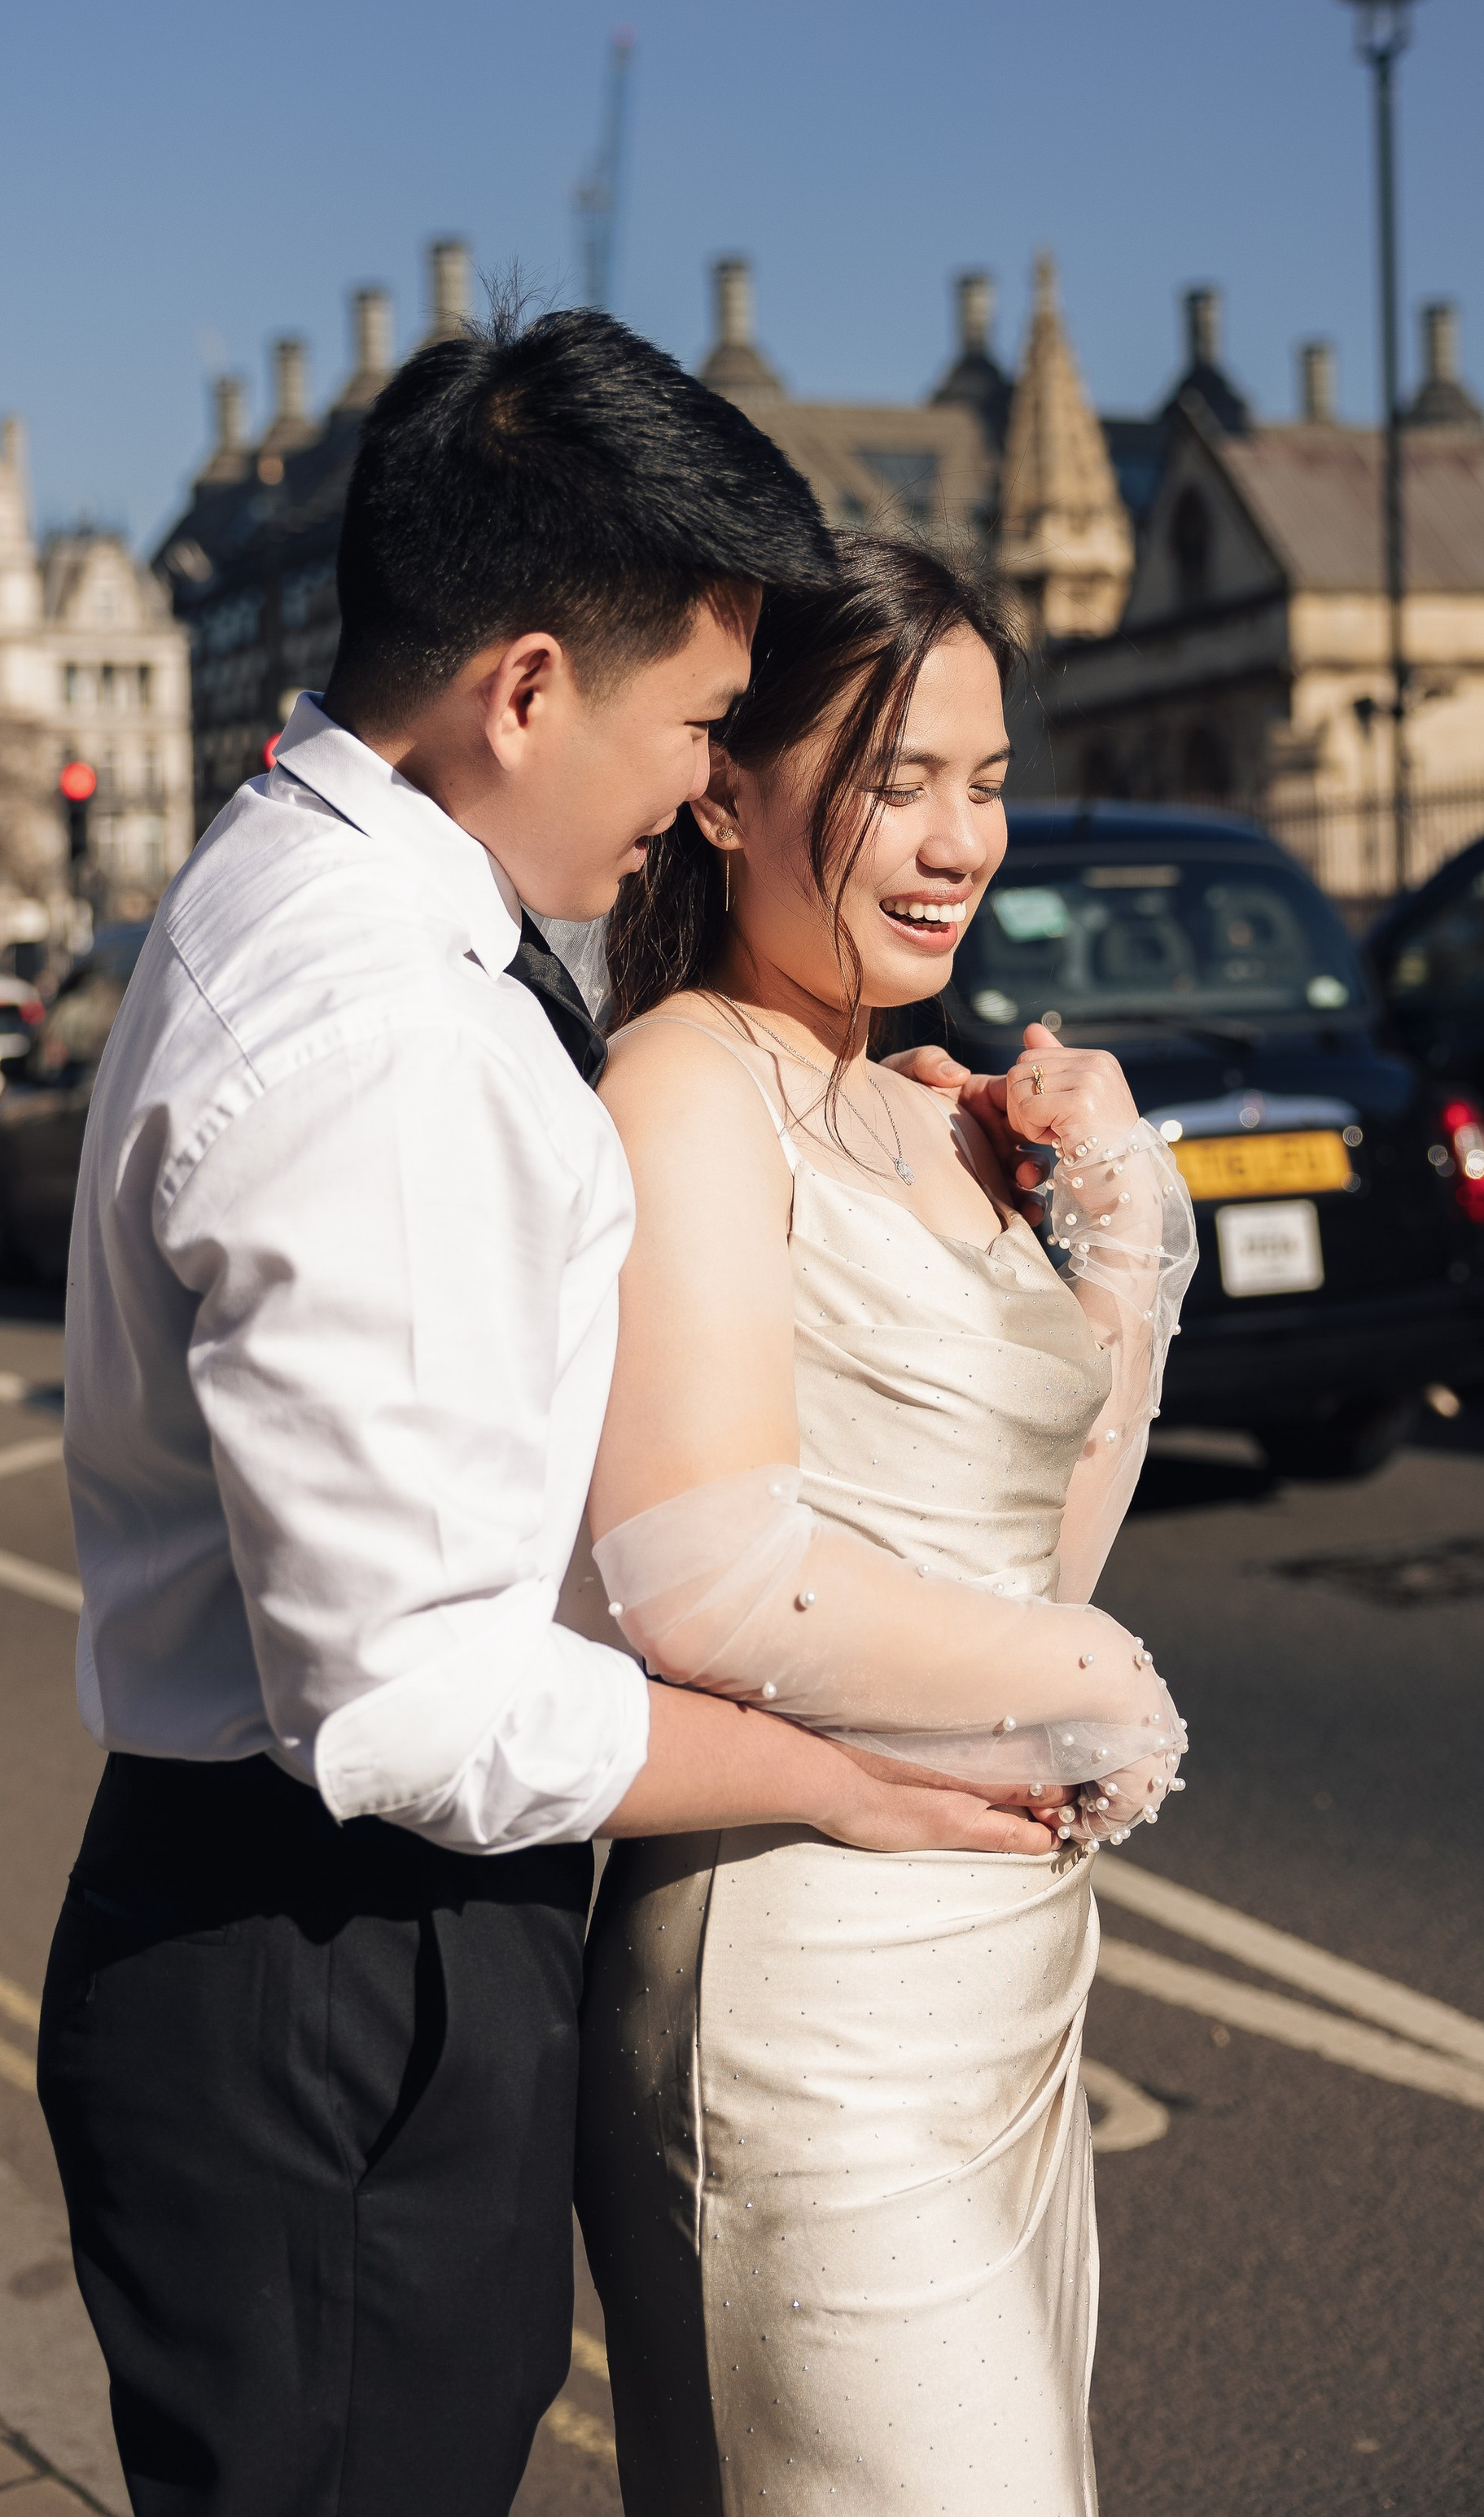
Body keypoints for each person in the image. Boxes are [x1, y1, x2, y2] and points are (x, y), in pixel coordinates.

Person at [37, 313, 1064, 2517]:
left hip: (329, 1938)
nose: (711, 780)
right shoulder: (373, 1031)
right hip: (335, 1960)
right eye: (699, 720)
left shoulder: (367, 898)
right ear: (520, 687)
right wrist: (834, 1778)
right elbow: (408, 1715)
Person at [576, 534, 1197, 2517]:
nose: (953, 845)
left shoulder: (933, 1111)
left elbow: (1034, 1554)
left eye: (985, 782)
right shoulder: (683, 1083)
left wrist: (1123, 1235)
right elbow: (703, 1575)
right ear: (729, 787)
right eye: (892, 778)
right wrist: (1081, 1684)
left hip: (1007, 1974)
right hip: (800, 2009)